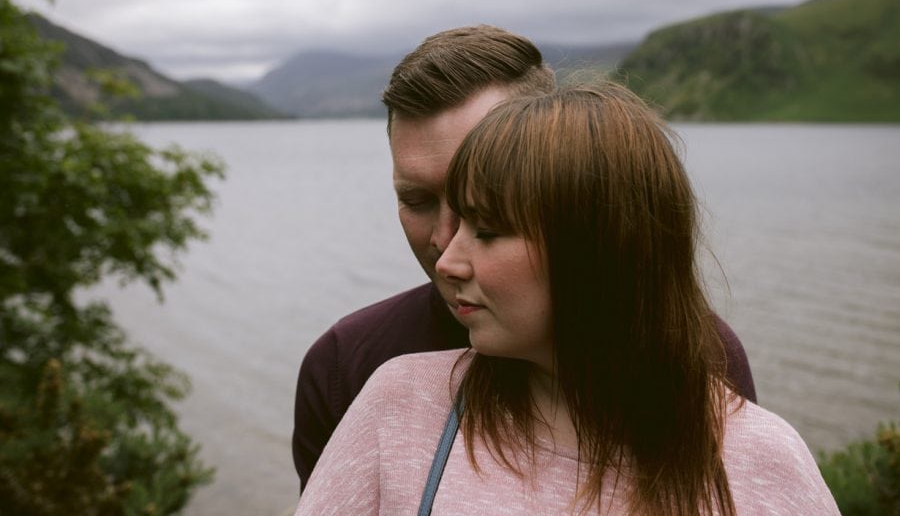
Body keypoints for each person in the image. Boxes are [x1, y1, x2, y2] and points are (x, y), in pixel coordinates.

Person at [288, 84, 848, 516]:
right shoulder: (401, 405)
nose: (447, 257)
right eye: (422, 204)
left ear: (597, 248)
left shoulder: (761, 462)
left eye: (486, 230)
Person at [291, 26, 757, 492]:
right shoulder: (345, 369)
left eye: (484, 212)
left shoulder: (700, 355)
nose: (444, 240)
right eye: (417, 200)